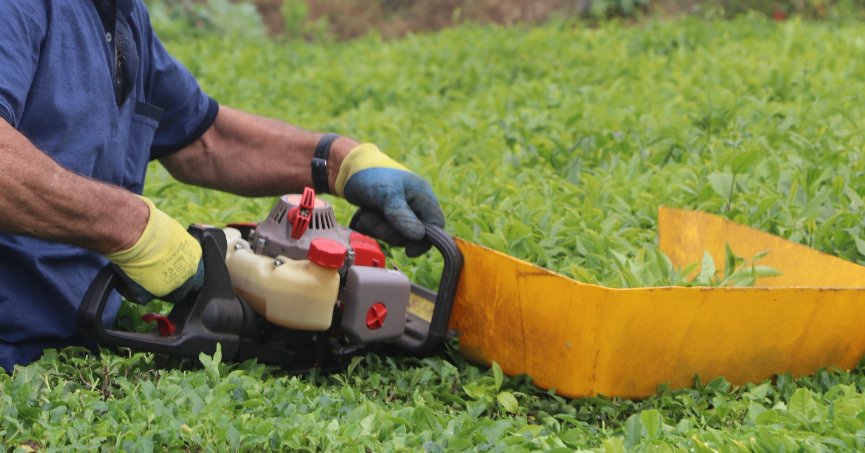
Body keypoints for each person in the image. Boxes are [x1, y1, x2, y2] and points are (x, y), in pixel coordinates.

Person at [0, 0, 445, 372]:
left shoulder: (119, 12)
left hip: (74, 343)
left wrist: (341, 162)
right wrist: (134, 230)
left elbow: (205, 138)